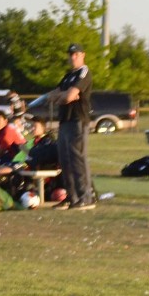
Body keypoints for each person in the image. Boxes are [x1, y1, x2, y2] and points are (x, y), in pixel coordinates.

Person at [45, 42, 95, 211]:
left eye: (76, 54)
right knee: (65, 160)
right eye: (70, 54)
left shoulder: (84, 73)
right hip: (64, 120)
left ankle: (85, 197)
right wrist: (63, 95)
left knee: (77, 159)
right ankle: (72, 197)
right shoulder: (68, 76)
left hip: (77, 120)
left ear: (83, 55)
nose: (72, 57)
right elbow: (53, 95)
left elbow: (69, 96)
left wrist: (64, 96)